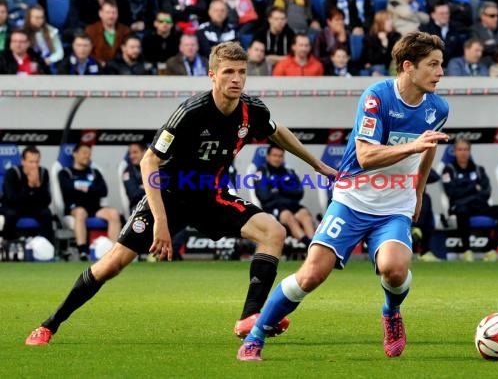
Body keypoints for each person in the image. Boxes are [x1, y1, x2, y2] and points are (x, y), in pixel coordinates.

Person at [25, 41, 336, 346]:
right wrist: (160, 221)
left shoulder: (250, 110)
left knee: (274, 232)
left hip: (211, 196)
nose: (236, 79)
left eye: (241, 72)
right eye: (228, 72)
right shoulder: (191, 112)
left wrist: (318, 164)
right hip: (170, 195)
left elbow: (276, 130)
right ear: (212, 75)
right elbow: (149, 161)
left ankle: (250, 317)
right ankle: (49, 325)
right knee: (112, 264)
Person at [237, 31, 449, 361]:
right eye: (433, 65)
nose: (440, 72)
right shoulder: (377, 97)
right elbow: (365, 156)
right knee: (311, 275)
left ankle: (391, 314)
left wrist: (418, 192)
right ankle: (255, 334)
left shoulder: (438, 107)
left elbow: (427, 149)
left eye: (441, 65)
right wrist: (414, 145)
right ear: (408, 66)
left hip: (395, 205)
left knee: (394, 268)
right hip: (353, 199)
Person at [441, 138, 498, 263]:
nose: (463, 152)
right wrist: (473, 187)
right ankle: (466, 251)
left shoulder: (479, 170)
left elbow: (486, 192)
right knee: (462, 211)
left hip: (479, 206)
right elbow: (451, 193)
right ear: (455, 151)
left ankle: (491, 250)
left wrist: (463, 187)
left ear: (470, 151)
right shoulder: (448, 170)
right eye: (460, 149)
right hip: (460, 207)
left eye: (466, 149)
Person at [57, 144, 122, 262]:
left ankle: (115, 251)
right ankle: (83, 251)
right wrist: (91, 188)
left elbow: (103, 191)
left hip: (95, 208)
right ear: (75, 154)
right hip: (75, 208)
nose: (87, 156)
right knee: (81, 212)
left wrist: (83, 188)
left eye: (89, 153)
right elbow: (67, 189)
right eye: (84, 153)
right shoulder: (66, 173)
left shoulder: (95, 172)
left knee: (113, 213)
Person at [255, 143, 316, 248]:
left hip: (291, 205)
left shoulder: (289, 171)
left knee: (304, 214)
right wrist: (287, 189)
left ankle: (314, 245)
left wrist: (279, 189)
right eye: (274, 155)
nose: (277, 159)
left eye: (280, 156)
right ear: (268, 157)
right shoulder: (262, 172)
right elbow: (264, 196)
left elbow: (299, 192)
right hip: (273, 207)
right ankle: (308, 244)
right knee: (287, 215)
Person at [0, 145, 54, 245]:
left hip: (34, 206)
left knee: (46, 213)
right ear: (23, 161)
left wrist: (37, 186)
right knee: (11, 214)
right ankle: (8, 244)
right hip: (13, 206)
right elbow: (12, 198)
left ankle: (48, 246)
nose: (34, 166)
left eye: (37, 162)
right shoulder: (12, 173)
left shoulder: (43, 173)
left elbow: (47, 200)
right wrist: (29, 186)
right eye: (31, 162)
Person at [85, 0, 131, 66]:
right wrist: (99, 63)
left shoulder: (125, 31)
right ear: (100, 14)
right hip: (98, 68)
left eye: (114, 13)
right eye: (108, 12)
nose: (111, 16)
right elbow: (87, 52)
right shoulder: (91, 30)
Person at [470, 1, 498, 65]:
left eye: (497, 15)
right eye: (492, 16)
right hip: (486, 65)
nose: (496, 18)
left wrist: (494, 41)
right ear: (482, 16)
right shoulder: (474, 30)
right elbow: (481, 48)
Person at [22, 4, 64, 69]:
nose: (40, 20)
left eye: (42, 17)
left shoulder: (51, 31)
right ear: (29, 18)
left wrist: (50, 59)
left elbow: (59, 52)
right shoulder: (22, 33)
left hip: (47, 63)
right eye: (36, 18)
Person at [412, 169, 440, 262]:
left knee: (425, 198)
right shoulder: (399, 163)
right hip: (403, 197)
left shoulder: (418, 163)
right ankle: (414, 227)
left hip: (420, 197)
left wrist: (418, 170)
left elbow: (435, 176)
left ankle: (425, 251)